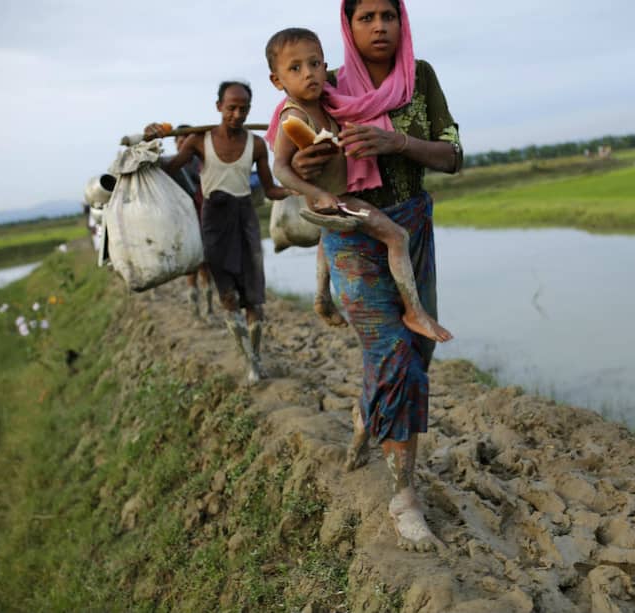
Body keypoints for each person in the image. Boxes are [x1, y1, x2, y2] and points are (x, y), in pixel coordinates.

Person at [288, 0, 462, 552]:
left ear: (401, 21)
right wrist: (310, 167)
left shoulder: (421, 77)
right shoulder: (324, 85)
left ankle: (368, 411)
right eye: (366, 17)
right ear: (349, 26)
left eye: (388, 15)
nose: (379, 26)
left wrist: (398, 142)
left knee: (415, 353)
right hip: (351, 237)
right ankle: (403, 497)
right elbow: (290, 162)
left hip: (411, 228)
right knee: (393, 353)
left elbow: (454, 155)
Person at [265, 27, 452, 344]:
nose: (308, 74)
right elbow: (280, 167)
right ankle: (414, 310)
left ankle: (322, 297)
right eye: (295, 68)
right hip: (337, 199)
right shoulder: (292, 115)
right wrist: (316, 192)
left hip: (335, 197)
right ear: (277, 81)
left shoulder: (327, 103)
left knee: (328, 238)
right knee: (396, 236)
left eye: (315, 64)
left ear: (326, 66)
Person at [144, 81, 292, 384]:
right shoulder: (199, 141)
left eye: (244, 109)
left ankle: (256, 360)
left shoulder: (257, 144)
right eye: (231, 108)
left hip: (245, 220)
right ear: (218, 108)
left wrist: (299, 189)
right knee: (227, 295)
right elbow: (169, 167)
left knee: (253, 298)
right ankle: (247, 359)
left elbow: (271, 189)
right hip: (213, 222)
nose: (237, 114)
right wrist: (150, 142)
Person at [164, 125, 214, 324]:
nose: (182, 142)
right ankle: (196, 312)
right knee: (191, 269)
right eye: (179, 139)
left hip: (202, 218)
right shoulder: (170, 165)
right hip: (184, 223)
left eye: (186, 138)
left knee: (205, 267)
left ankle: (209, 310)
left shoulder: (202, 162)